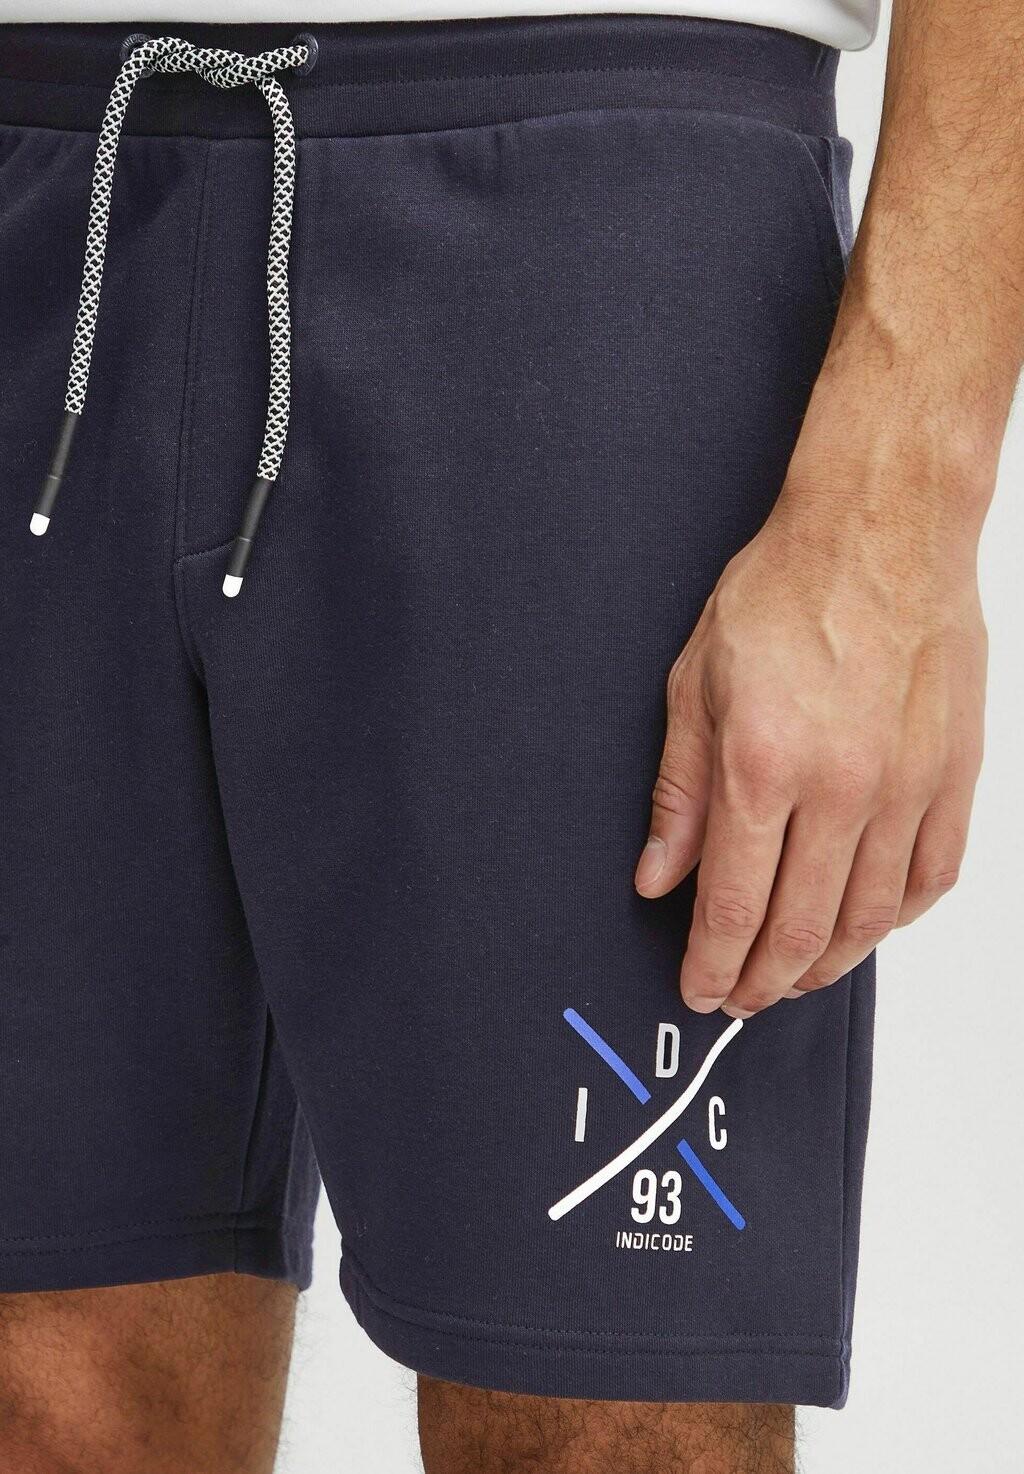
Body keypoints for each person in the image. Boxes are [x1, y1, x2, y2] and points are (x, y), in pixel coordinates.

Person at [0, 0, 1013, 1468]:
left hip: (598, 208)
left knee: (605, 1409)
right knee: (43, 1387)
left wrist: (907, 490)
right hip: (37, 179)